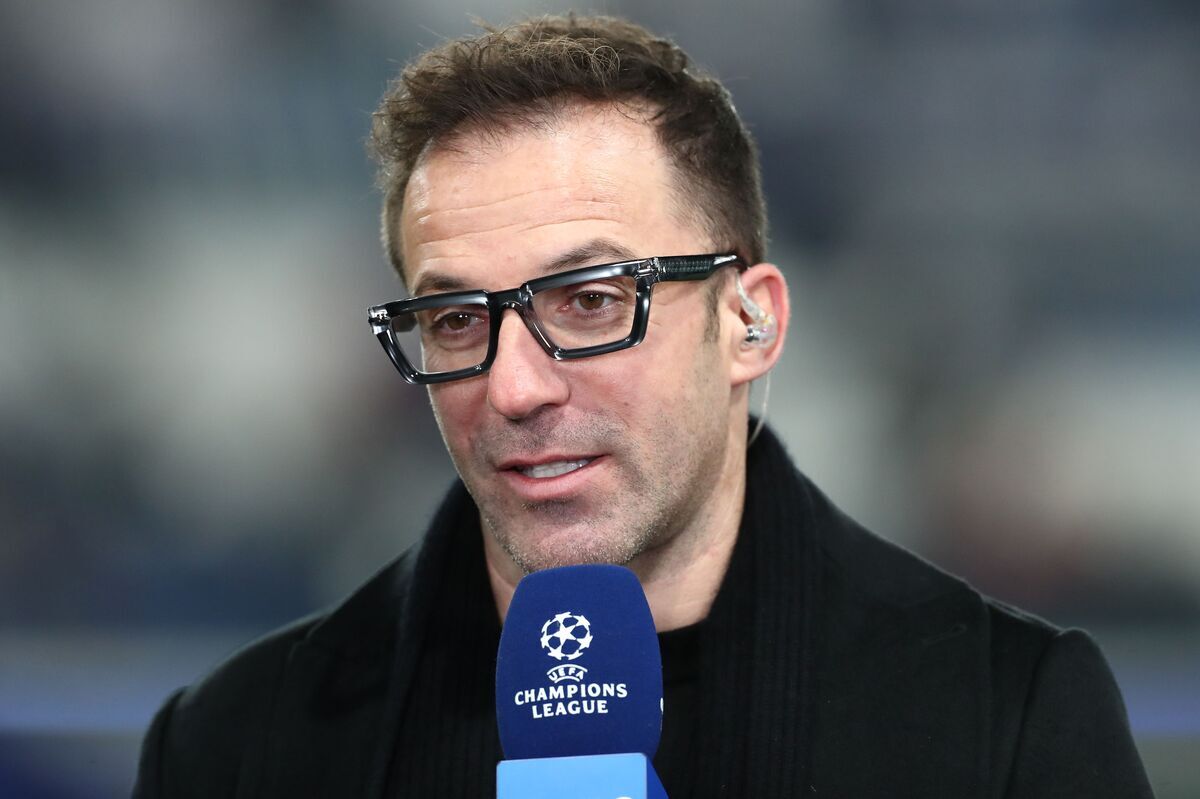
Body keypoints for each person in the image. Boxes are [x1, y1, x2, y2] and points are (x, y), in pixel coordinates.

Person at [134, 14, 1153, 798]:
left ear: (749, 324)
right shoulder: (236, 745)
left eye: (589, 301)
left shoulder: (1005, 718)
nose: (515, 386)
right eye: (454, 319)